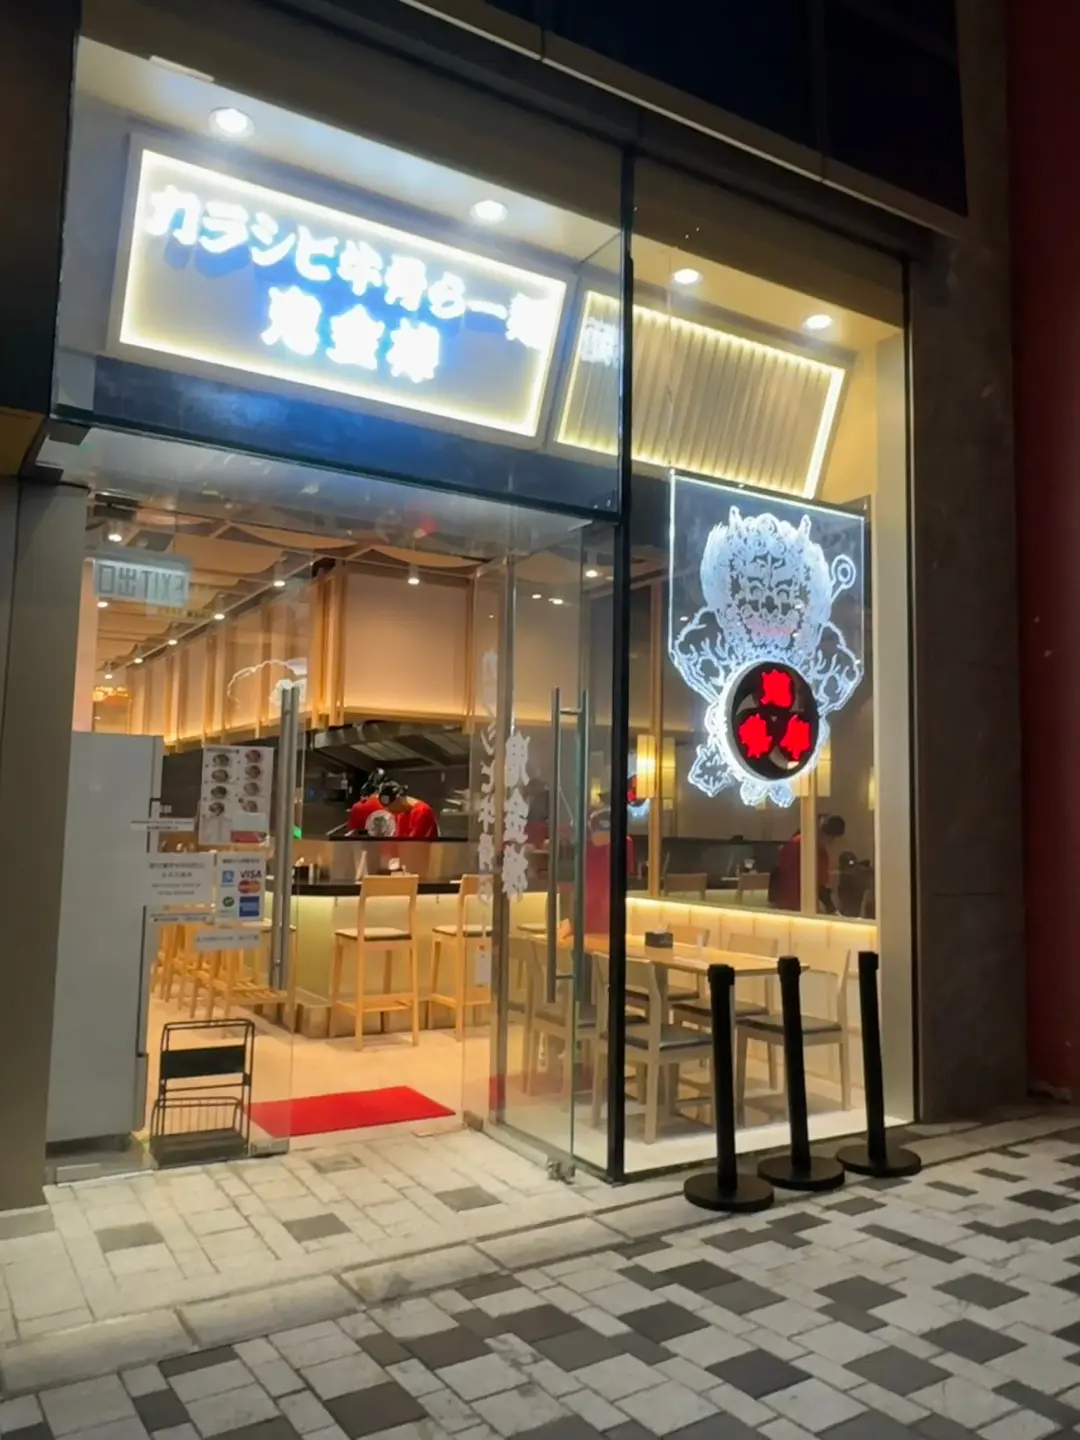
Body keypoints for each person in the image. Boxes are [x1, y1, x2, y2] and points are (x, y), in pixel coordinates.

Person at [769, 814, 845, 913]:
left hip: (806, 908)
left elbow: (821, 884)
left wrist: (829, 905)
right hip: (789, 909)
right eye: (830, 837)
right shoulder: (796, 846)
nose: (831, 842)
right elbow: (789, 882)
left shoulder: (821, 852)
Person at [346, 776, 439, 838]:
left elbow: (413, 845)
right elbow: (397, 842)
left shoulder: (423, 812)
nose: (389, 810)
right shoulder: (400, 814)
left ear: (398, 798)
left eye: (390, 807)